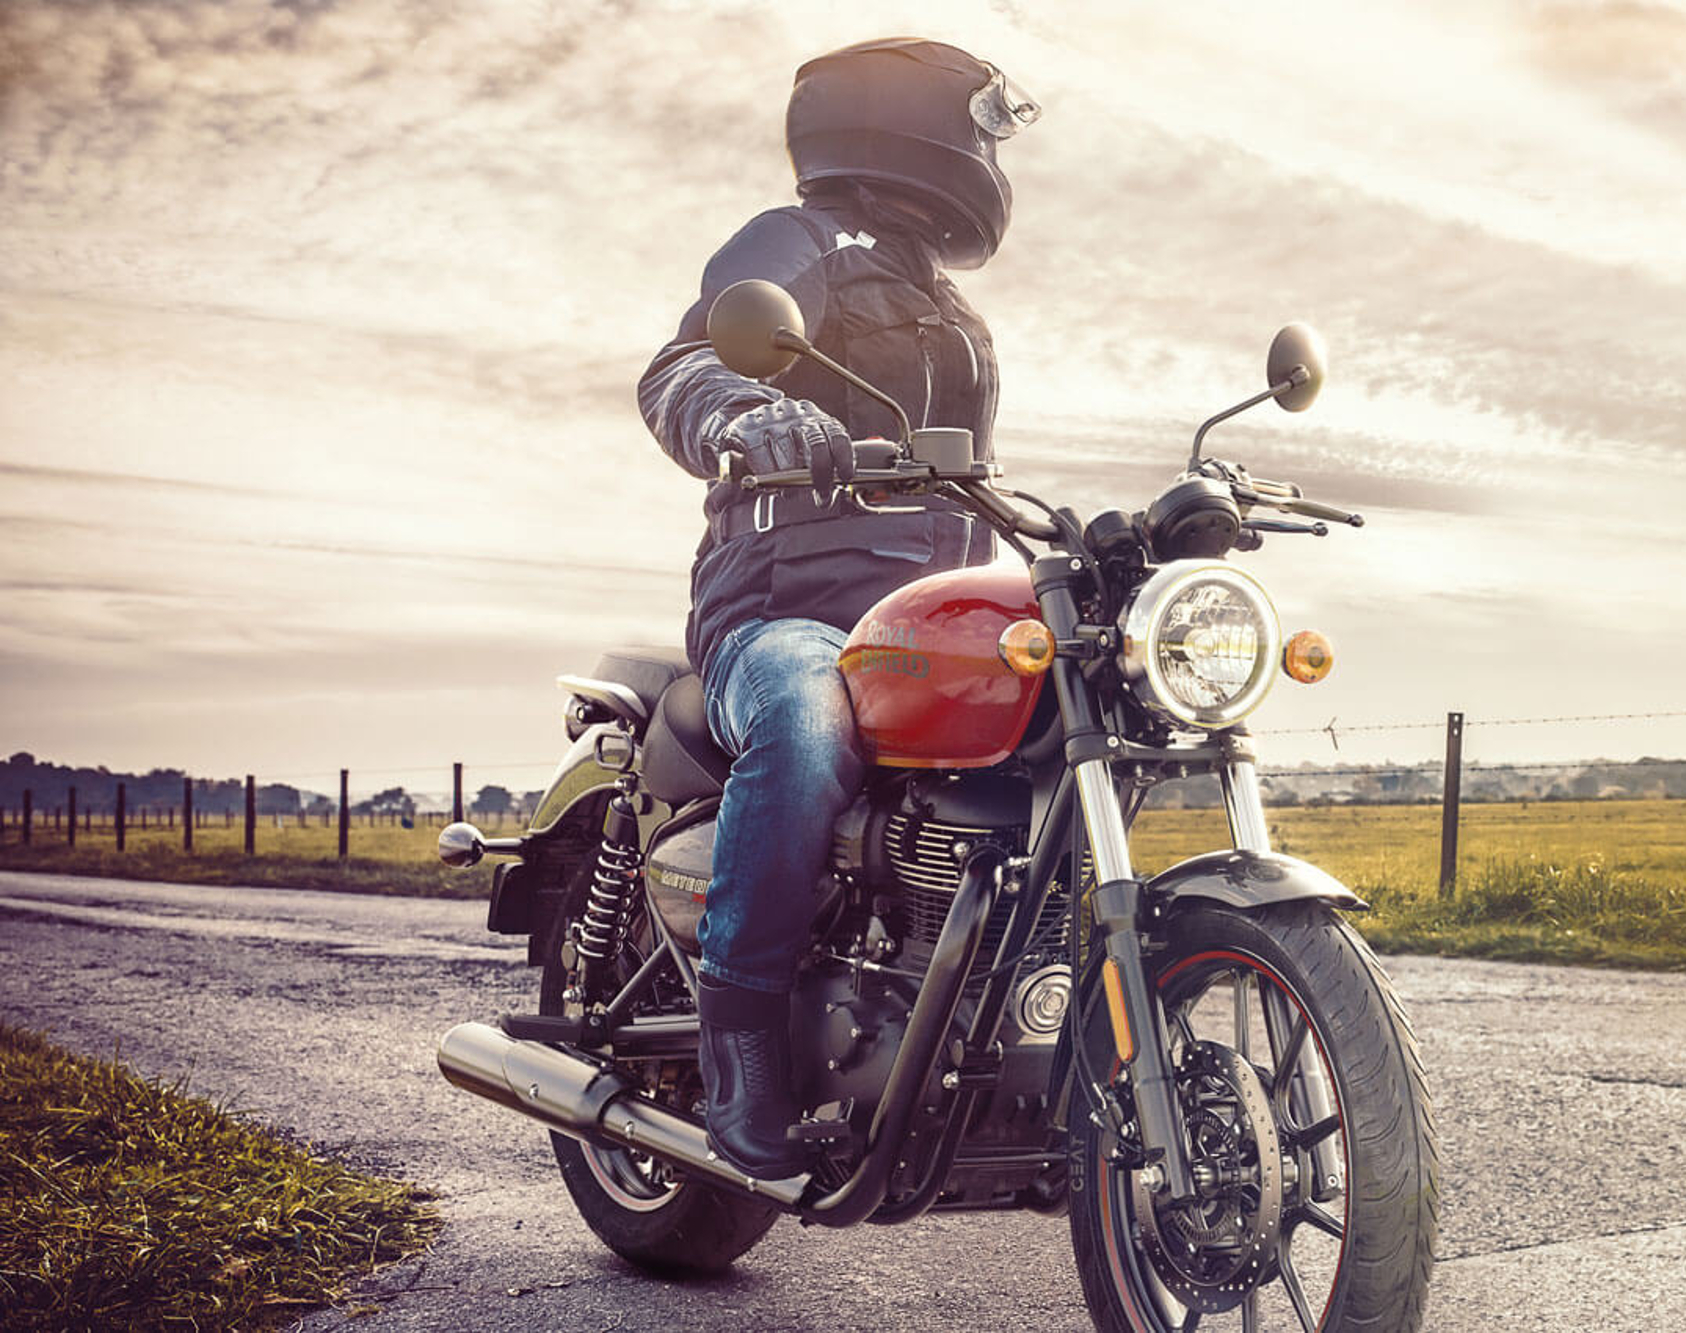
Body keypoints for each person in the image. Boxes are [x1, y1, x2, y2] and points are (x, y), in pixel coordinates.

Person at [638, 37, 1039, 1177]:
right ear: (917, 116)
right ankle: (745, 1035)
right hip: (783, 617)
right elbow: (676, 368)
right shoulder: (792, 244)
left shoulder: (947, 303)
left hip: (924, 623)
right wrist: (736, 409)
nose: (991, 146)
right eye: (984, 118)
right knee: (811, 717)